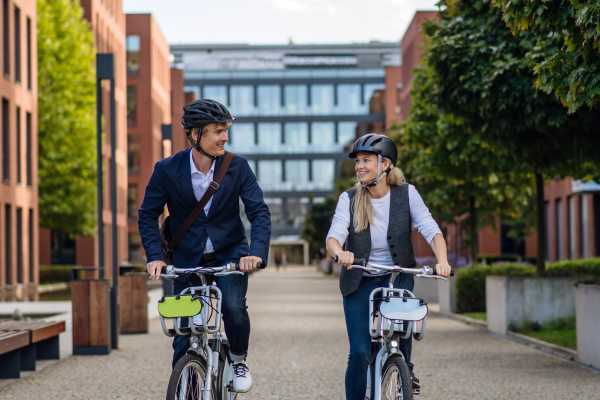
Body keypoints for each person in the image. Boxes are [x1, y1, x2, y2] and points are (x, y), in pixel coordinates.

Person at [138, 99, 271, 393]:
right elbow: (148, 214)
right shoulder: (167, 170)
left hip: (231, 256)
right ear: (195, 135)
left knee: (234, 308)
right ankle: (185, 386)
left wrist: (256, 253)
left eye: (226, 130)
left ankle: (237, 359)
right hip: (186, 260)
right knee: (184, 332)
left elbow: (259, 212)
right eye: (218, 131)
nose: (225, 137)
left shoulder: (237, 167)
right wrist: (155, 257)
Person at [325, 134, 451, 400]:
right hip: (359, 279)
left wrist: (442, 261)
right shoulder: (348, 199)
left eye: (366, 160)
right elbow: (334, 237)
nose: (359, 166)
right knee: (359, 352)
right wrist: (340, 253)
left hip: (398, 276)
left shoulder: (407, 194)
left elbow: (431, 230)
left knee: (400, 333)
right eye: (357, 161)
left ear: (385, 165)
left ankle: (404, 368)